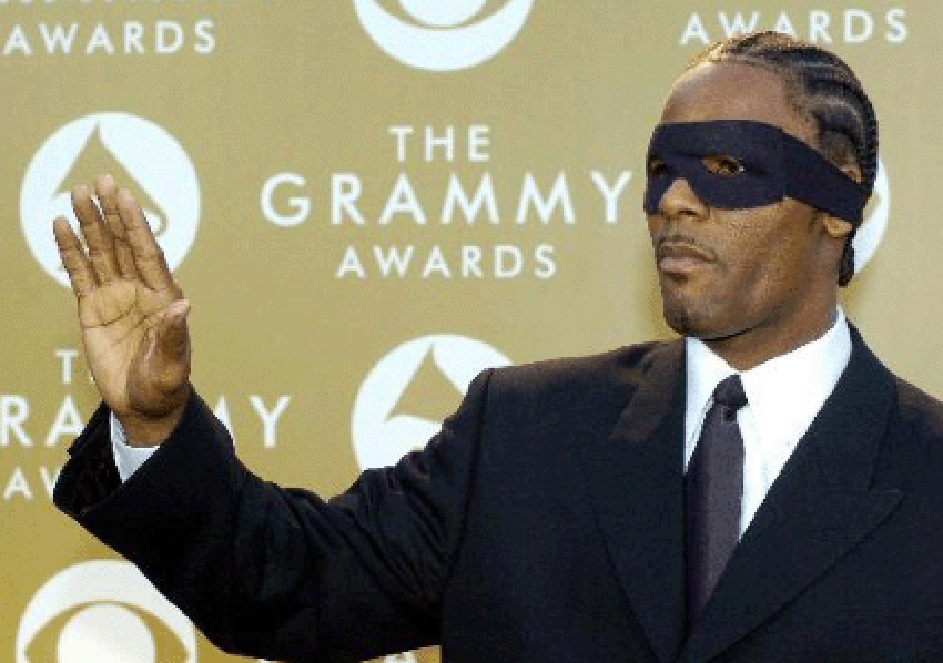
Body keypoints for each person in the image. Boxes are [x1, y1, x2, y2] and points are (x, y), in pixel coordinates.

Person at [52, 31, 943, 662]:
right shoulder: (520, 431)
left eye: (725, 167)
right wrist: (155, 425)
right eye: (660, 171)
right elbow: (283, 581)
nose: (673, 202)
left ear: (837, 203)